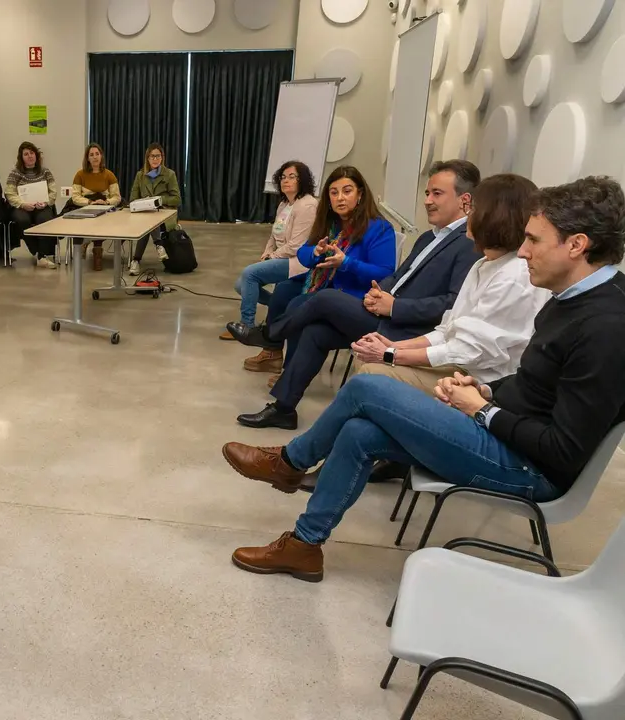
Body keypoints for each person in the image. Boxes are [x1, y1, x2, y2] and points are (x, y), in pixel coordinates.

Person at [220, 175, 625, 583]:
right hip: (507, 432)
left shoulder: (605, 328)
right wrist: (485, 390)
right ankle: (304, 546)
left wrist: (483, 410)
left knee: (366, 386)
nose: (523, 252)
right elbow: (530, 383)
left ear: (576, 245)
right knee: (360, 432)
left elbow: (562, 452)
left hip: (530, 469)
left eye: (535, 241)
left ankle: (290, 463)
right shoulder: (570, 300)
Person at [229, 161, 480, 430]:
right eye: (427, 193)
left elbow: (451, 306)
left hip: (405, 329)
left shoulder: (468, 243)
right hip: (377, 311)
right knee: (315, 330)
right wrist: (379, 293)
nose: (427, 201)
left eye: (436, 194)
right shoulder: (429, 237)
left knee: (322, 299)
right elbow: (395, 277)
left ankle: (270, 337)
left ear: (464, 201)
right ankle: (283, 409)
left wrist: (394, 307)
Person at [354, 174, 551, 391]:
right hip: (459, 365)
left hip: (479, 381)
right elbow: (449, 329)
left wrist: (391, 354)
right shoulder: (484, 264)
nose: (468, 216)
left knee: (370, 373)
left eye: (472, 209)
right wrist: (393, 346)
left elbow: (467, 350)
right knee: (366, 370)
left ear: (494, 217)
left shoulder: (514, 276)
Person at [229, 165, 395, 388]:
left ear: (360, 195)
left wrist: (347, 263)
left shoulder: (379, 228)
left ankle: (279, 351)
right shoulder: (330, 222)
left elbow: (385, 274)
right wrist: (315, 252)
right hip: (326, 283)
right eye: (334, 193)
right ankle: (273, 352)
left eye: (347, 191)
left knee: (299, 304)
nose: (340, 198)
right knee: (284, 290)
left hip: (355, 296)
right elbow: (304, 254)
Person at [221, 161, 318, 340]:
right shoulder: (285, 204)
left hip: (298, 261)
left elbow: (296, 246)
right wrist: (267, 252)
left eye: (291, 177)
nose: (285, 181)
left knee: (249, 274)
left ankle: (247, 326)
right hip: (281, 256)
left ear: (302, 180)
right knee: (240, 285)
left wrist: (272, 256)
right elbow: (274, 235)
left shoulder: (308, 205)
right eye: (282, 177)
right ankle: (278, 306)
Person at [128, 143, 181, 276]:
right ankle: (159, 245)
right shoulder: (140, 176)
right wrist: (145, 203)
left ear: (162, 158)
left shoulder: (169, 174)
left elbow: (177, 199)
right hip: (144, 214)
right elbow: (133, 199)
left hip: (164, 214)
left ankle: (136, 260)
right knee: (148, 220)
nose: (155, 159)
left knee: (150, 222)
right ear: (147, 158)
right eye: (152, 156)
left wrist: (159, 200)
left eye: (158, 156)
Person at [5, 141, 57, 269]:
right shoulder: (15, 173)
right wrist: (22, 204)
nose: (30, 156)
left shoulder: (45, 172)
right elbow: (9, 193)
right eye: (26, 154)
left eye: (32, 153)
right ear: (21, 158)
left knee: (44, 220)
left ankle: (41, 256)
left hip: (41, 206)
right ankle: (37, 252)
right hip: (23, 207)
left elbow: (53, 191)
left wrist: (46, 202)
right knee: (22, 220)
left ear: (36, 155)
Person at [69, 143, 121, 271]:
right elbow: (75, 197)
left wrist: (107, 202)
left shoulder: (109, 175)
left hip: (104, 205)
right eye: (91, 155)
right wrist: (89, 203)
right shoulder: (79, 175)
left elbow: (117, 197)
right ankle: (86, 243)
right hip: (85, 205)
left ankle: (97, 252)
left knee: (103, 220)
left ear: (101, 156)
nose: (95, 157)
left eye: (97, 154)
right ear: (87, 158)